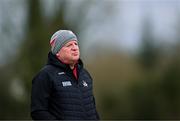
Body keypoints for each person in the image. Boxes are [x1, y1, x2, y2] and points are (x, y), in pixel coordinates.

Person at [31, 30, 100, 120]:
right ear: (57, 52)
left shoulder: (85, 75)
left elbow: (92, 109)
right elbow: (38, 111)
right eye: (69, 45)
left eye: (75, 44)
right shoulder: (45, 75)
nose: (75, 48)